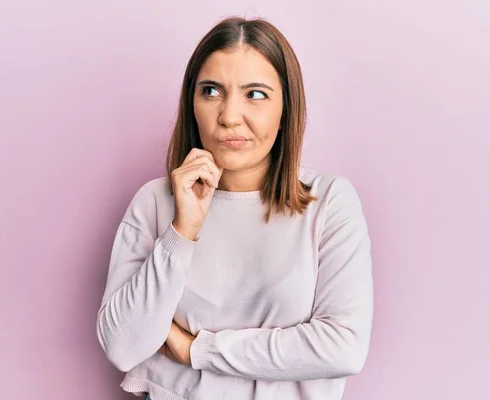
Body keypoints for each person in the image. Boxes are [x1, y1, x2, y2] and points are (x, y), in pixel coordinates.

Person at [96, 16, 373, 400]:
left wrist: (198, 349)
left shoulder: (328, 202)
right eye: (210, 91)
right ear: (191, 103)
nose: (228, 116)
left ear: (285, 109)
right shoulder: (155, 203)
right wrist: (183, 230)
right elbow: (123, 346)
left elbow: (343, 346)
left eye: (255, 94)